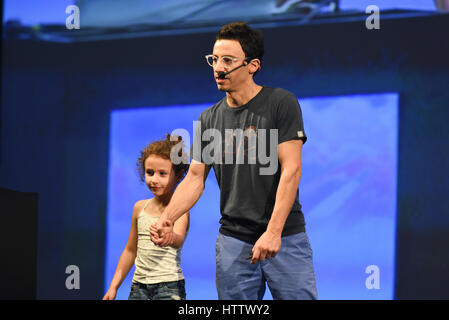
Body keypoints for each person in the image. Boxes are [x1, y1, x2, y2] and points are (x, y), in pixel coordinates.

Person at [151, 22, 317, 300]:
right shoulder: (209, 119)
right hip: (233, 241)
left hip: (286, 237)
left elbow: (292, 169)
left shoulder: (280, 103)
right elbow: (194, 179)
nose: (218, 67)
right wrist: (167, 218)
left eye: (228, 60)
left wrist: (273, 232)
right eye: (214, 60)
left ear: (252, 65)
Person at [103, 134, 190, 300]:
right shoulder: (139, 208)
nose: (154, 180)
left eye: (162, 174)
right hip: (139, 288)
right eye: (150, 173)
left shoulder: (180, 209)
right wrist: (113, 287)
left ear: (178, 176)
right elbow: (130, 250)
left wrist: (170, 237)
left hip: (169, 286)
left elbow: (179, 239)